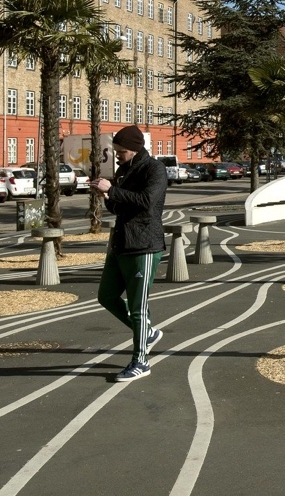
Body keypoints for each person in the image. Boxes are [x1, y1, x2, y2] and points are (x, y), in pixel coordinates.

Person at [95, 125, 168, 382]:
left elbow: (147, 201)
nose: (117, 155)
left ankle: (141, 361)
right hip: (121, 242)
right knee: (106, 296)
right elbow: (120, 207)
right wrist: (107, 195)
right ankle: (147, 332)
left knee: (138, 308)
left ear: (135, 149)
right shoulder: (124, 169)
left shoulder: (154, 169)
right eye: (115, 151)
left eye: (121, 151)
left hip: (144, 244)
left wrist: (113, 190)